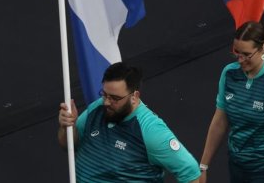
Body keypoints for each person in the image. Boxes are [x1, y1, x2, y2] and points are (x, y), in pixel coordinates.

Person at [58, 62, 201, 183]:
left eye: (114, 98)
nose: (106, 102)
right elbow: (69, 145)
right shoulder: (96, 110)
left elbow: (191, 173)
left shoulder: (151, 130)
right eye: (104, 94)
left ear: (134, 96)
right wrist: (66, 127)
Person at [198, 21, 264, 183]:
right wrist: (203, 166)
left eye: (247, 54)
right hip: (237, 166)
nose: (240, 60)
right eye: (236, 52)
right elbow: (220, 121)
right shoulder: (229, 74)